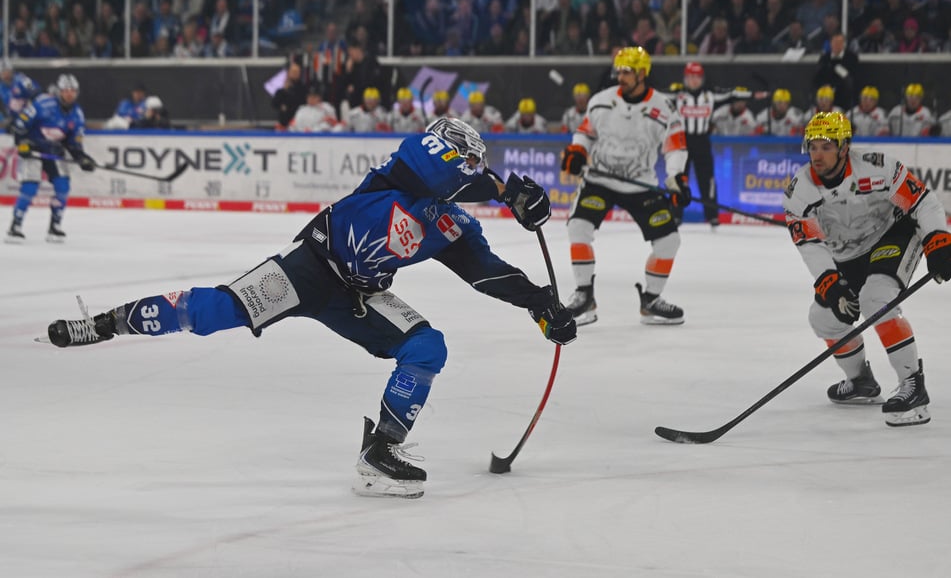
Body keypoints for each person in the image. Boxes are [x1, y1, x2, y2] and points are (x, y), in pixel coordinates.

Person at [44, 117, 576, 498]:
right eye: (463, 162)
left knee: (426, 347)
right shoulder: (406, 169)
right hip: (307, 268)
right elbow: (436, 165)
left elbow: (490, 274)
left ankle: (380, 453)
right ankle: (105, 323)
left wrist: (543, 305)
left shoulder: (452, 225)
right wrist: (507, 189)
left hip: (359, 297)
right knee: (210, 312)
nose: (461, 167)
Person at [782, 111, 951, 427]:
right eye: (812, 147)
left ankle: (913, 385)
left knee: (877, 298)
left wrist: (937, 239)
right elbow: (809, 244)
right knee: (824, 318)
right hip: (847, 254)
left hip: (893, 236)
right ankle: (861, 381)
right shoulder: (799, 191)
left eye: (826, 146)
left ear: (844, 147)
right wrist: (829, 282)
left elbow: (923, 202)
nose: (817, 155)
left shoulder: (877, 168)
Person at [559, 46, 689, 326]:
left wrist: (676, 178)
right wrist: (577, 151)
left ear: (643, 73)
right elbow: (584, 133)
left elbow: (675, 147)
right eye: (619, 70)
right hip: (600, 180)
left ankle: (651, 300)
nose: (621, 76)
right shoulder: (601, 101)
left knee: (669, 241)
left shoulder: (664, 108)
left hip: (640, 184)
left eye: (627, 71)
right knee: (577, 227)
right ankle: (584, 296)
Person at [673, 62, 765, 227]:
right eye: (690, 77)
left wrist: (753, 95)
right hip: (682, 141)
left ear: (702, 79)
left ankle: (712, 215)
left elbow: (733, 93)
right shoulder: (677, 93)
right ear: (685, 79)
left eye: (697, 78)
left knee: (707, 179)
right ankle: (676, 214)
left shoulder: (710, 94)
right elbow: (654, 94)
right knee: (679, 179)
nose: (693, 81)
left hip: (702, 140)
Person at [6, 74, 94, 243]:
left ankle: (55, 225)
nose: (69, 94)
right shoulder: (43, 104)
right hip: (32, 149)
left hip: (53, 151)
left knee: (63, 186)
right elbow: (18, 125)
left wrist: (82, 158)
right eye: (66, 90)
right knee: (30, 186)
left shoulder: (77, 114)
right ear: (59, 91)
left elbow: (73, 143)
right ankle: (15, 225)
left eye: (73, 91)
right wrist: (22, 143)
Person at [812, 32, 860, 112]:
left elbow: (854, 79)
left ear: (844, 44)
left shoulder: (851, 58)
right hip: (825, 97)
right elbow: (817, 78)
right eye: (835, 42)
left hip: (843, 96)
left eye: (840, 42)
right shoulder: (825, 58)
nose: (837, 45)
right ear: (830, 43)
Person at [0, 59, 41, 129]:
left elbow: (37, 92)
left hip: (29, 116)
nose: (5, 75)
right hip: (13, 119)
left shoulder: (21, 80)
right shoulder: (1, 87)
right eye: (2, 72)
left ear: (11, 71)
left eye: (7, 71)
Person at [272, 61, 308, 130]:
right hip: (284, 123)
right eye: (293, 71)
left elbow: (302, 103)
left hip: (299, 124)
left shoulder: (303, 89)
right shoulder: (282, 89)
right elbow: (274, 104)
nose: (295, 74)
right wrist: (284, 91)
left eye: (297, 72)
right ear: (288, 73)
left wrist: (286, 105)